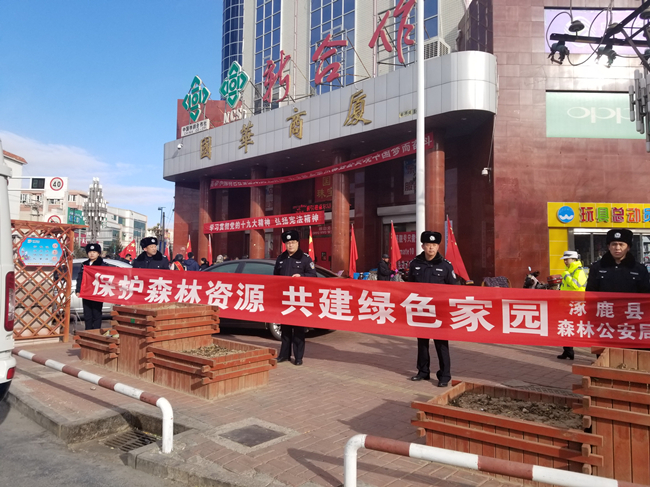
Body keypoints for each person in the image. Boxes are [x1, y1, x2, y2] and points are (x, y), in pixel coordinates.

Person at [407, 230, 459, 387]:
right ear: (422, 246)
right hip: (421, 310)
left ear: (438, 246)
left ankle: (445, 375)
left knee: (441, 344)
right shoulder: (415, 264)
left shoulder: (445, 265)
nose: (431, 248)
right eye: (428, 244)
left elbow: (454, 288)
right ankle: (423, 371)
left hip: (439, 313)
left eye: (434, 245)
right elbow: (409, 287)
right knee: (422, 343)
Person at [274, 229, 317, 365]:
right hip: (285, 299)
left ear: (298, 243)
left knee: (298, 330)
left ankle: (298, 357)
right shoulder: (281, 259)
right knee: (285, 329)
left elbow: (313, 276)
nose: (290, 245)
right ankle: (284, 355)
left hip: (299, 300)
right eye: (288, 243)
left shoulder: (305, 258)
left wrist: (301, 276)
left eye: (293, 242)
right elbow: (275, 278)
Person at [586, 229, 650, 294]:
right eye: (614, 244)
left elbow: (646, 295)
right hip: (604, 301)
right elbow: (590, 294)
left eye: (621, 244)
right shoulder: (597, 268)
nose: (617, 248)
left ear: (628, 247)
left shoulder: (640, 269)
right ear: (609, 247)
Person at [557, 250, 587, 360]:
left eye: (567, 259)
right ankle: (567, 350)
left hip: (575, 303)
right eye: (564, 259)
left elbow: (575, 285)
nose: (565, 261)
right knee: (565, 326)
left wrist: (566, 276)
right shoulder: (569, 271)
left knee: (571, 326)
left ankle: (569, 350)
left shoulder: (578, 271)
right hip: (567, 303)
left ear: (574, 259)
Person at [74, 243, 107, 331]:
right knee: (87, 314)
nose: (92, 254)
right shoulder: (84, 264)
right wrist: (78, 290)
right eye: (90, 252)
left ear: (98, 253)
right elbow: (80, 278)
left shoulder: (103, 265)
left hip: (97, 292)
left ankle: (96, 332)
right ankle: (88, 331)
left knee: (96, 313)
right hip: (86, 292)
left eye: (94, 252)